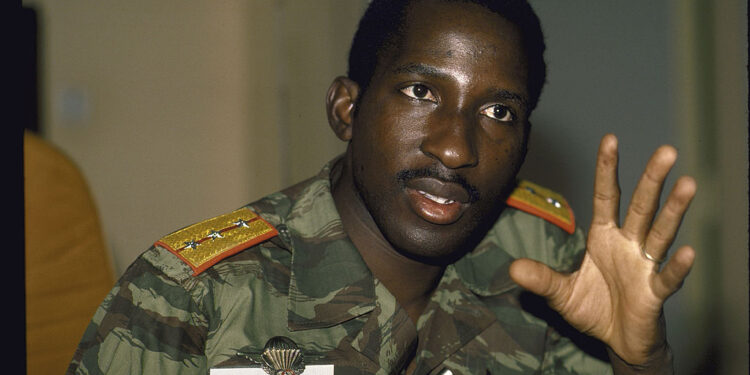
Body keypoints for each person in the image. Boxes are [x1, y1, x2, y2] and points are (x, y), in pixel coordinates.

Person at [67, 0, 696, 374]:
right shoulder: (190, 296)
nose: (455, 147)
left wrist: (643, 362)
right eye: (421, 92)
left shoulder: (545, 262)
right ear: (347, 109)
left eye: (498, 112)